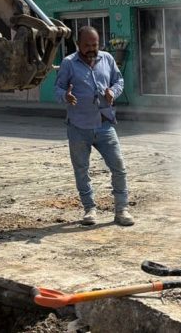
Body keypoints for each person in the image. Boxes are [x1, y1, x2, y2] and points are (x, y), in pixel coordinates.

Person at [55, 26, 133, 227]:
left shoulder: (106, 59)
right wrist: (66, 96)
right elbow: (58, 88)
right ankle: (89, 209)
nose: (92, 49)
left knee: (119, 167)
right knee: (82, 170)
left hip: (104, 124)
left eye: (95, 45)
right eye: (87, 45)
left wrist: (113, 92)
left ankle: (121, 210)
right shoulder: (68, 63)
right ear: (78, 45)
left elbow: (119, 81)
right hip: (78, 127)